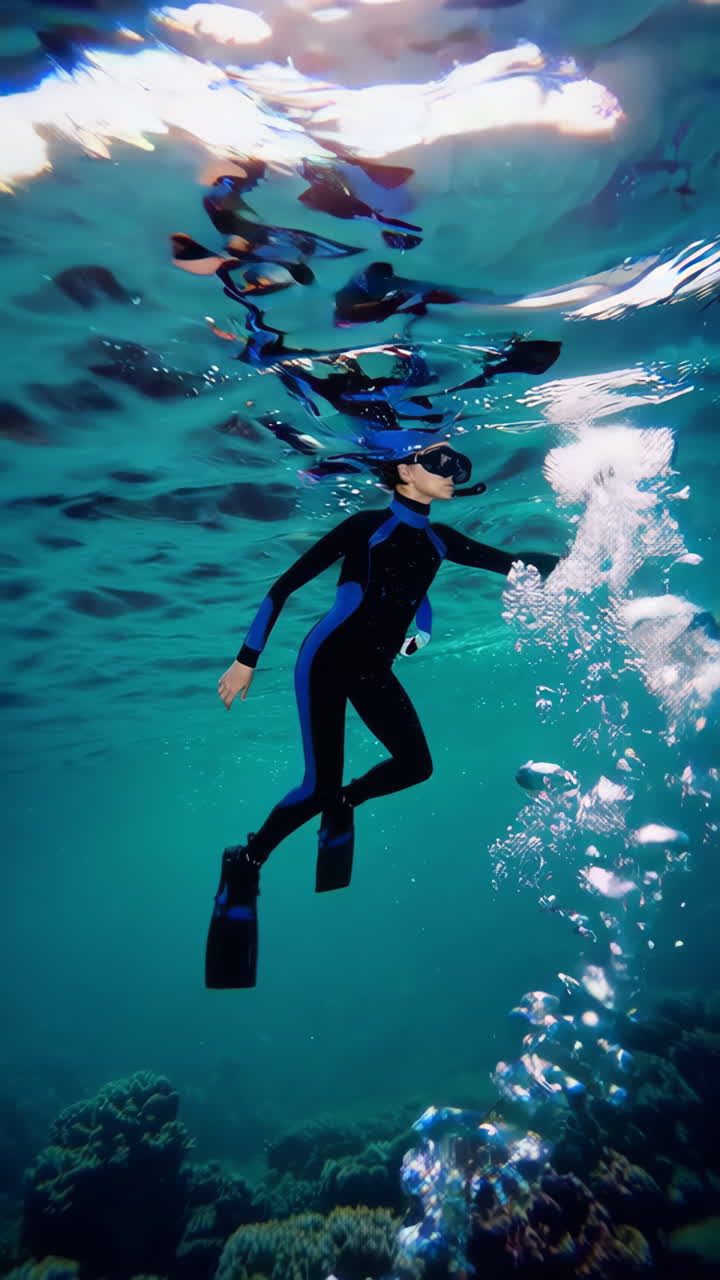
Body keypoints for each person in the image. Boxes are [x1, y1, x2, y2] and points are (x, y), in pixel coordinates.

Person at [206, 442, 559, 988]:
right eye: (441, 463)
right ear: (402, 471)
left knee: (416, 765)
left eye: (459, 466)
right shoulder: (366, 526)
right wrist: (245, 659)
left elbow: (506, 563)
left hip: (373, 669)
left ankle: (346, 800)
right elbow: (283, 588)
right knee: (316, 785)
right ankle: (247, 860)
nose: (455, 473)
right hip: (326, 661)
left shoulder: (439, 538)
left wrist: (577, 565)